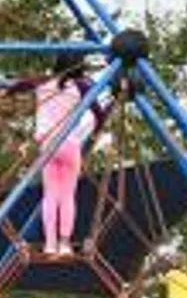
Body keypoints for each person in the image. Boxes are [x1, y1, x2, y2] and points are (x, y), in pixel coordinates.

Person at [13, 58, 114, 256]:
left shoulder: (42, 82)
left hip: (48, 146)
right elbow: (98, 112)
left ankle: (50, 243)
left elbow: (20, 85)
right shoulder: (81, 86)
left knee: (50, 195)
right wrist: (97, 130)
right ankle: (64, 243)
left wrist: (6, 92)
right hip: (69, 144)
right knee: (67, 195)